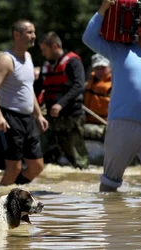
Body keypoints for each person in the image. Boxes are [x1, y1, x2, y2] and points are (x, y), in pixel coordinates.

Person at [82, 0, 141, 192]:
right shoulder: (119, 51)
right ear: (140, 30)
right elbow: (89, 38)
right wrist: (103, 10)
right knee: (110, 183)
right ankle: (112, 220)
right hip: (121, 125)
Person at [0, 19, 49, 186]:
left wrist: (39, 114)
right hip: (10, 118)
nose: (34, 36)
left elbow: (28, 89)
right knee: (14, 168)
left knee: (37, 166)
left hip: (28, 119)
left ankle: (13, 193)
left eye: (34, 32)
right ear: (16, 35)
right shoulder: (5, 59)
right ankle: (0, 202)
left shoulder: (28, 57)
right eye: (29, 32)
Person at [38, 31, 89, 169]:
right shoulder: (46, 66)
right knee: (48, 156)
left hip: (71, 116)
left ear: (54, 46)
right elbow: (40, 87)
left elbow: (79, 85)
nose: (43, 53)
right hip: (52, 118)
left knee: (78, 159)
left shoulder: (73, 62)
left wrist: (60, 104)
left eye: (44, 50)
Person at [83, 53, 112, 141]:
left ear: (110, 67)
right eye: (97, 68)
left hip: (106, 125)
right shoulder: (88, 85)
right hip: (89, 123)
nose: (99, 71)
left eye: (103, 68)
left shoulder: (116, 85)